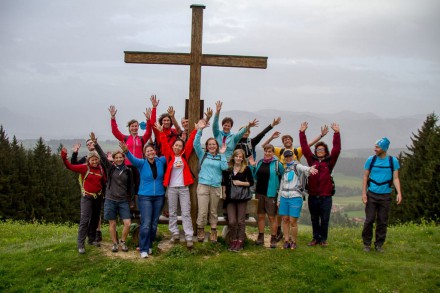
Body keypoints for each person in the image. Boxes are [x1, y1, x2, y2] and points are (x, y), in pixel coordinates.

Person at [262, 125, 329, 242]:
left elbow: (309, 145)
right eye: (284, 140)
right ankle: (279, 230)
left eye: (288, 139)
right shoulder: (280, 151)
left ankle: (287, 236)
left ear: (292, 141)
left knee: (289, 216)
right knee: (281, 210)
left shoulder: (297, 151)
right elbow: (265, 147)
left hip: (294, 182)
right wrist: (272, 137)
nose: (287, 141)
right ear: (283, 142)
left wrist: (321, 135)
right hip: (282, 179)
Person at [120, 141, 166, 259]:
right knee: (146, 224)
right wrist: (126, 151)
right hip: (145, 197)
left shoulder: (161, 161)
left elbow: (172, 152)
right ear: (145, 154)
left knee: (154, 224)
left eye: (152, 150)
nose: (150, 152)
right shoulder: (141, 163)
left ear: (155, 152)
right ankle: (143, 248)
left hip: (159, 196)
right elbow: (132, 158)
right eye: (148, 151)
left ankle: (149, 245)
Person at [155, 121, 197, 248]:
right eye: (176, 145)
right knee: (172, 212)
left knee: (185, 212)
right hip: (172, 188)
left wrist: (195, 130)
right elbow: (163, 143)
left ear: (182, 148)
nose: (177, 147)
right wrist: (161, 132)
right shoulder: (169, 156)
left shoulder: (184, 156)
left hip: (184, 188)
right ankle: (174, 233)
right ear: (173, 146)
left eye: (180, 146)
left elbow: (189, 143)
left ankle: (189, 236)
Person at [90, 132, 134, 253]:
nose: (119, 159)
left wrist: (131, 201)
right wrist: (96, 144)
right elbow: (103, 157)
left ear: (124, 158)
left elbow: (131, 187)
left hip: (123, 200)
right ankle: (114, 243)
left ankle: (123, 242)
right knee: (112, 224)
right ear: (114, 159)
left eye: (121, 157)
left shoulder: (128, 171)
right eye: (116, 158)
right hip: (110, 199)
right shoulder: (111, 168)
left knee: (127, 223)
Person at [299, 122, 341, 247]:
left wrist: (337, 133)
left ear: (326, 151)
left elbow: (337, 149)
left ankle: (323, 239)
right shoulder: (311, 160)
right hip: (313, 195)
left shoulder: (330, 162)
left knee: (325, 219)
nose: (319, 151)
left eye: (322, 149)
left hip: (326, 196)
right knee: (314, 219)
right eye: (317, 149)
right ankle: (315, 238)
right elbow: (305, 148)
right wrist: (302, 133)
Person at [61, 147, 106, 254]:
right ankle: (81, 244)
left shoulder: (101, 169)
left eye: (96, 159)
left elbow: (104, 182)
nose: (94, 162)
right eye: (92, 160)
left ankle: (91, 239)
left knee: (95, 219)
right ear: (88, 160)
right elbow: (70, 166)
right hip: (87, 197)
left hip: (98, 197)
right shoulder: (84, 168)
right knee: (85, 220)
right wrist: (64, 156)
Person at [361, 137, 402, 253]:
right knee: (369, 220)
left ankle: (379, 245)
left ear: (384, 148)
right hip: (372, 194)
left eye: (377, 147)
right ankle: (366, 244)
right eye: (375, 146)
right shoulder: (371, 160)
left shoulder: (392, 161)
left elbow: (395, 178)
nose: (375, 149)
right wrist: (364, 193)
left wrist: (399, 193)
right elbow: (365, 177)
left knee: (382, 221)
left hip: (386, 196)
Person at [193, 119, 228, 243]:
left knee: (213, 210)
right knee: (202, 210)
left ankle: (213, 231)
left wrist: (223, 154)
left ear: (217, 146)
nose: (212, 146)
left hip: (216, 186)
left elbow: (225, 168)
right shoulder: (203, 155)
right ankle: (201, 229)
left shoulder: (220, 156)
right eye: (210, 144)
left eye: (214, 144)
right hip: (203, 185)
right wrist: (200, 130)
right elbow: (196, 144)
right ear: (207, 147)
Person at [277, 149, 318, 250]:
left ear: (293, 156)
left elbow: (304, 168)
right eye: (286, 157)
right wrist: (279, 199)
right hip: (284, 196)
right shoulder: (285, 169)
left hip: (295, 196)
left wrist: (310, 169)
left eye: (290, 156)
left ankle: (294, 241)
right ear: (284, 158)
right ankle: (286, 241)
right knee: (285, 220)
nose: (288, 158)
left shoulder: (297, 166)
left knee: (293, 221)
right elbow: (281, 185)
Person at [70, 139, 104, 243]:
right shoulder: (85, 158)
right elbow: (73, 164)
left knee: (96, 214)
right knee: (87, 216)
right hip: (87, 191)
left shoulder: (102, 157)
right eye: (88, 144)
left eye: (91, 143)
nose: (90, 145)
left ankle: (96, 233)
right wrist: (75, 153)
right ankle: (87, 238)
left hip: (100, 190)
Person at [252, 144, 284, 248]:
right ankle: (260, 237)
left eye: (270, 151)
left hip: (271, 194)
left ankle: (273, 238)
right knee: (260, 216)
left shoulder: (277, 164)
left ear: (273, 153)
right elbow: (255, 176)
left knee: (271, 217)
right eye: (266, 151)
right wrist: (252, 166)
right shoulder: (260, 162)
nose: (267, 153)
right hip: (259, 193)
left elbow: (283, 177)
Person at [222, 149, 254, 252]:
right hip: (230, 198)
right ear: (234, 157)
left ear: (243, 158)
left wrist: (240, 183)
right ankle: (233, 239)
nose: (239, 158)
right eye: (237, 156)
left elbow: (251, 183)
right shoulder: (228, 169)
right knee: (232, 221)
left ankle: (240, 241)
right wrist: (223, 193)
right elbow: (224, 183)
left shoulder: (246, 169)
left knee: (240, 221)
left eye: (241, 157)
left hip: (241, 198)